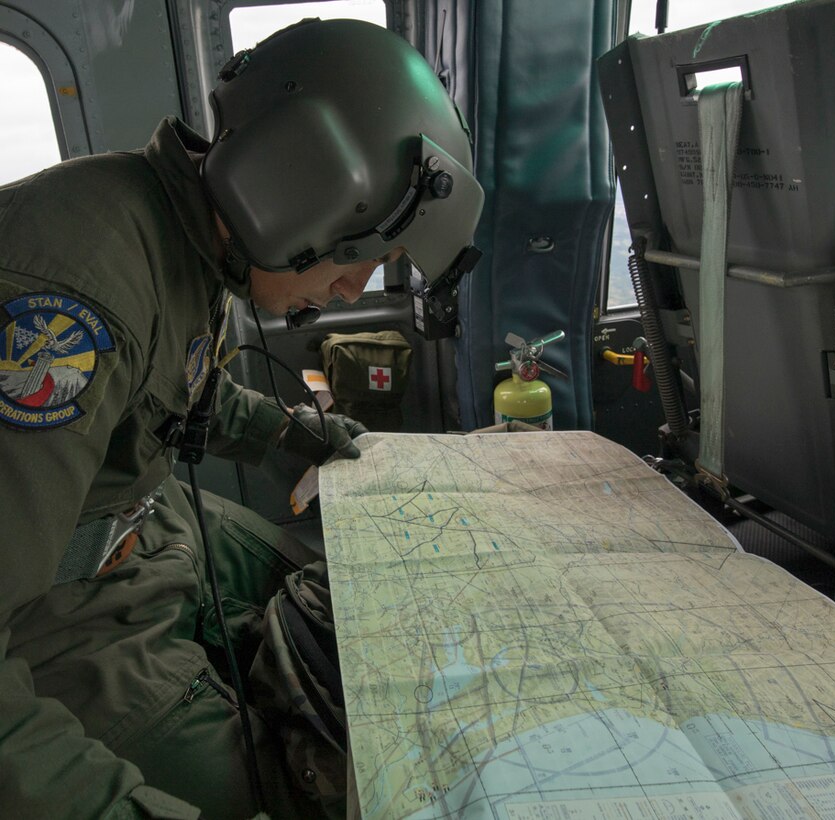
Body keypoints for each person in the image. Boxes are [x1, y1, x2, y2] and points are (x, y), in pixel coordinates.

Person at [0, 18, 483, 820]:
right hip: (55, 606)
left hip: (148, 530)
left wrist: (292, 434)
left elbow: (180, 397)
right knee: (293, 787)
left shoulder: (181, 235)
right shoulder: (67, 310)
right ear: (295, 196)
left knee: (336, 603)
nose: (353, 292)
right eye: (359, 257)